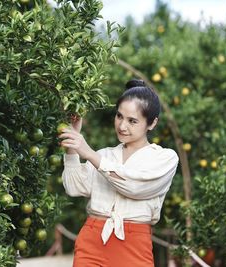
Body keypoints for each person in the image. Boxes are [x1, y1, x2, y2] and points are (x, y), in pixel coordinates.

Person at [59, 79, 179, 267]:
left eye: (132, 121)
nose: (122, 126)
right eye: (119, 116)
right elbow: (74, 187)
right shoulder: (104, 155)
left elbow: (133, 186)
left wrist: (88, 153)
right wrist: (73, 146)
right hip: (92, 240)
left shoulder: (164, 158)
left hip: (134, 245)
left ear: (152, 123)